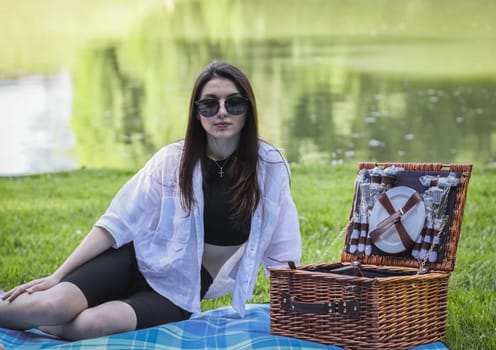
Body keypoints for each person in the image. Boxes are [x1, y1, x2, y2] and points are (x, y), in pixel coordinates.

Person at [0, 61, 301, 341]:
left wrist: (297, 306)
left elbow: (282, 248)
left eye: (233, 103)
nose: (222, 112)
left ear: (248, 110)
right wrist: (58, 275)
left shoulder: (269, 167)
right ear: (197, 113)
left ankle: (26, 314)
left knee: (92, 325)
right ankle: (27, 309)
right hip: (135, 260)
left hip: (179, 290)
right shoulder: (172, 160)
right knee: (55, 304)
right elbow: (116, 223)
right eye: (210, 104)